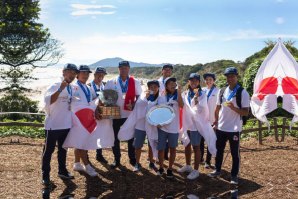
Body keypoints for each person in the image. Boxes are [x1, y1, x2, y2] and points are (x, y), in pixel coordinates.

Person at [208, 67, 250, 185]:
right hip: (221, 127)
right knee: (219, 150)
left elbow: (246, 112)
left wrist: (233, 108)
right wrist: (216, 122)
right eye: (228, 76)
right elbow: (217, 109)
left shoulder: (242, 92)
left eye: (232, 76)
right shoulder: (222, 91)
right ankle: (217, 170)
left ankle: (234, 175)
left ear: (237, 77)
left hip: (234, 129)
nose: (230, 78)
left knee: (234, 153)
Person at [42, 63, 78, 187]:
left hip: (66, 125)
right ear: (63, 72)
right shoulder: (55, 85)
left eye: (74, 73)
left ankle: (62, 171)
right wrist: (59, 89)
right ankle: (45, 176)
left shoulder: (72, 87)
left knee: (63, 150)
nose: (72, 75)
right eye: (70, 72)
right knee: (48, 151)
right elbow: (48, 101)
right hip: (53, 125)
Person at [104, 61, 142, 169]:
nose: (124, 69)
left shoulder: (135, 82)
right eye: (121, 68)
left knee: (131, 137)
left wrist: (134, 104)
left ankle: (132, 158)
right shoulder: (111, 82)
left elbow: (140, 97)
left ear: (129, 69)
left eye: (126, 67)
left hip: (130, 114)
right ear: (118, 69)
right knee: (115, 137)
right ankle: (117, 159)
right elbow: (105, 98)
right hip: (115, 114)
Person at [64, 65, 98, 177]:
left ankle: (77, 163)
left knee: (80, 142)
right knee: (82, 143)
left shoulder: (88, 88)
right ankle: (87, 166)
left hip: (87, 119)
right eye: (83, 73)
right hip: (76, 119)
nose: (85, 75)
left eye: (87, 73)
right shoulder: (72, 86)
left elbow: (93, 100)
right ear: (77, 74)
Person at [178, 73, 206, 180]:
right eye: (191, 80)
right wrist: (179, 92)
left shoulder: (202, 94)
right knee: (186, 145)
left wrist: (197, 99)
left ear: (199, 82)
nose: (193, 82)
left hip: (196, 125)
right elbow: (181, 106)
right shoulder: (185, 93)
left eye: (196, 81)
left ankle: (196, 170)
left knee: (196, 146)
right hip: (187, 123)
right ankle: (188, 165)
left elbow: (202, 109)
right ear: (188, 81)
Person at [157, 77, 183, 178]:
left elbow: (182, 106)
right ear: (166, 85)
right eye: (170, 83)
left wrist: (179, 93)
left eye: (174, 83)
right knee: (161, 149)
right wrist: (157, 122)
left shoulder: (178, 95)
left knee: (172, 149)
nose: (172, 84)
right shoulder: (162, 96)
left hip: (174, 128)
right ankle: (160, 167)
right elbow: (158, 110)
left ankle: (170, 169)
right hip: (162, 127)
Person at [132, 80, 160, 172]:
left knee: (151, 144)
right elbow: (138, 107)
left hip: (152, 125)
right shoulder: (143, 96)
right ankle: (137, 163)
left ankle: (151, 162)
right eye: (151, 87)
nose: (153, 89)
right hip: (141, 125)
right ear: (148, 88)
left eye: (155, 87)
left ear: (158, 88)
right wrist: (145, 99)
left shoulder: (160, 98)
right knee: (138, 145)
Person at [89, 66, 108, 164]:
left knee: (100, 135)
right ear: (94, 74)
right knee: (88, 135)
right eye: (98, 75)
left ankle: (99, 155)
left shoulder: (103, 86)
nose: (100, 77)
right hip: (90, 115)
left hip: (100, 115)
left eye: (102, 75)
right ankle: (86, 157)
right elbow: (87, 102)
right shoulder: (89, 86)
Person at [200, 73, 219, 168]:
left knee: (211, 141)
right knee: (201, 141)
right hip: (202, 120)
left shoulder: (218, 91)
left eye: (210, 79)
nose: (208, 81)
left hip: (213, 120)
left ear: (214, 80)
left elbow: (220, 107)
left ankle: (208, 161)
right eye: (207, 79)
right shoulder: (202, 90)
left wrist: (217, 120)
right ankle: (200, 158)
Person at [157, 64, 173, 160]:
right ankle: (158, 153)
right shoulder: (157, 82)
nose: (167, 71)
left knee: (167, 130)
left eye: (169, 70)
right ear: (162, 71)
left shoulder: (173, 82)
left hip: (169, 110)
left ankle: (165, 154)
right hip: (158, 110)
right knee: (159, 133)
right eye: (166, 69)